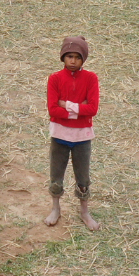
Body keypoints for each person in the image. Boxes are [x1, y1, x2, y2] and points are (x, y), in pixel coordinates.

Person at [45, 36, 99, 230]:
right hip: (59, 136)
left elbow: (92, 109)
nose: (73, 61)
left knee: (83, 177)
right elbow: (53, 110)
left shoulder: (91, 78)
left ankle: (84, 211)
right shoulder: (55, 79)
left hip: (82, 138)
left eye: (77, 57)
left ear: (83, 58)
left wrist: (66, 106)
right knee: (56, 174)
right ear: (63, 57)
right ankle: (55, 208)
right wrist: (78, 109)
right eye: (69, 56)